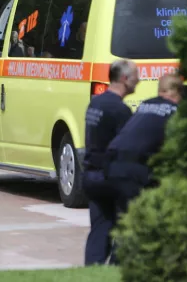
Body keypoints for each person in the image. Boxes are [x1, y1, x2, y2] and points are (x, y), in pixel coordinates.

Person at [104, 73, 181, 238]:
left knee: (125, 222)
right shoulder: (175, 111)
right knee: (139, 225)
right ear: (177, 93)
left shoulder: (145, 104)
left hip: (112, 165)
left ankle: (116, 261)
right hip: (135, 169)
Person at [82, 59, 136, 266]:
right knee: (127, 228)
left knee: (100, 229)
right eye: (135, 77)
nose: (138, 82)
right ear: (124, 79)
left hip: (91, 176)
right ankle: (115, 269)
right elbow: (126, 149)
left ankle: (92, 271)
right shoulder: (120, 111)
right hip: (110, 178)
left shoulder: (95, 103)